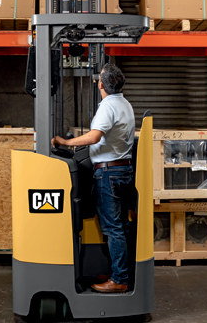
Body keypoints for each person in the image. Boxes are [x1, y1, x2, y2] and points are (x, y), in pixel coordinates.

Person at [51, 63, 135, 293]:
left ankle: (119, 279)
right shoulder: (124, 104)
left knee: (113, 228)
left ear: (100, 84)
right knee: (122, 227)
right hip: (123, 170)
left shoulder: (108, 106)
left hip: (109, 173)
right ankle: (121, 271)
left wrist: (65, 142)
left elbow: (94, 137)